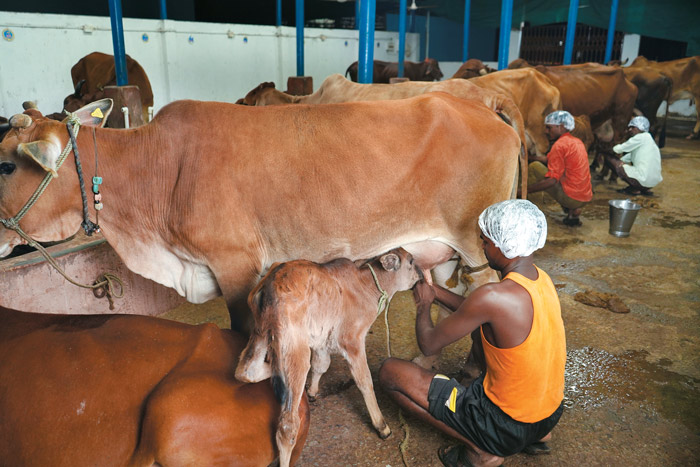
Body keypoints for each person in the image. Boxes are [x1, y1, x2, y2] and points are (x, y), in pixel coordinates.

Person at [379, 200, 565, 467]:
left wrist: (423, 306)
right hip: (548, 416)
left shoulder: (491, 297)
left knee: (390, 372)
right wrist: (436, 293)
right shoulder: (540, 280)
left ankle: (481, 448)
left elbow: (429, 344)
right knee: (480, 333)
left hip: (503, 427)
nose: (482, 246)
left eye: (486, 241)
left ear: (505, 247)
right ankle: (537, 437)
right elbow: (479, 312)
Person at [519, 110, 593, 227]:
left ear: (561, 127)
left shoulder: (559, 145)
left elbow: (552, 181)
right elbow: (550, 160)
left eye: (549, 128)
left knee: (534, 168)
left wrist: (524, 191)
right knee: (563, 172)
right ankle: (573, 212)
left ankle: (530, 210)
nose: (546, 131)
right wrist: (531, 157)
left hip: (572, 198)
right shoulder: (576, 142)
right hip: (585, 196)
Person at [605, 116, 663, 196]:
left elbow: (621, 148)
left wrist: (608, 149)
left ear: (640, 127)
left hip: (643, 181)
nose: (629, 130)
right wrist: (621, 162)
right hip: (651, 183)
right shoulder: (649, 140)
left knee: (608, 159)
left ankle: (635, 189)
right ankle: (643, 189)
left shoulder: (640, 137)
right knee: (620, 164)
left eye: (632, 127)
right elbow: (630, 156)